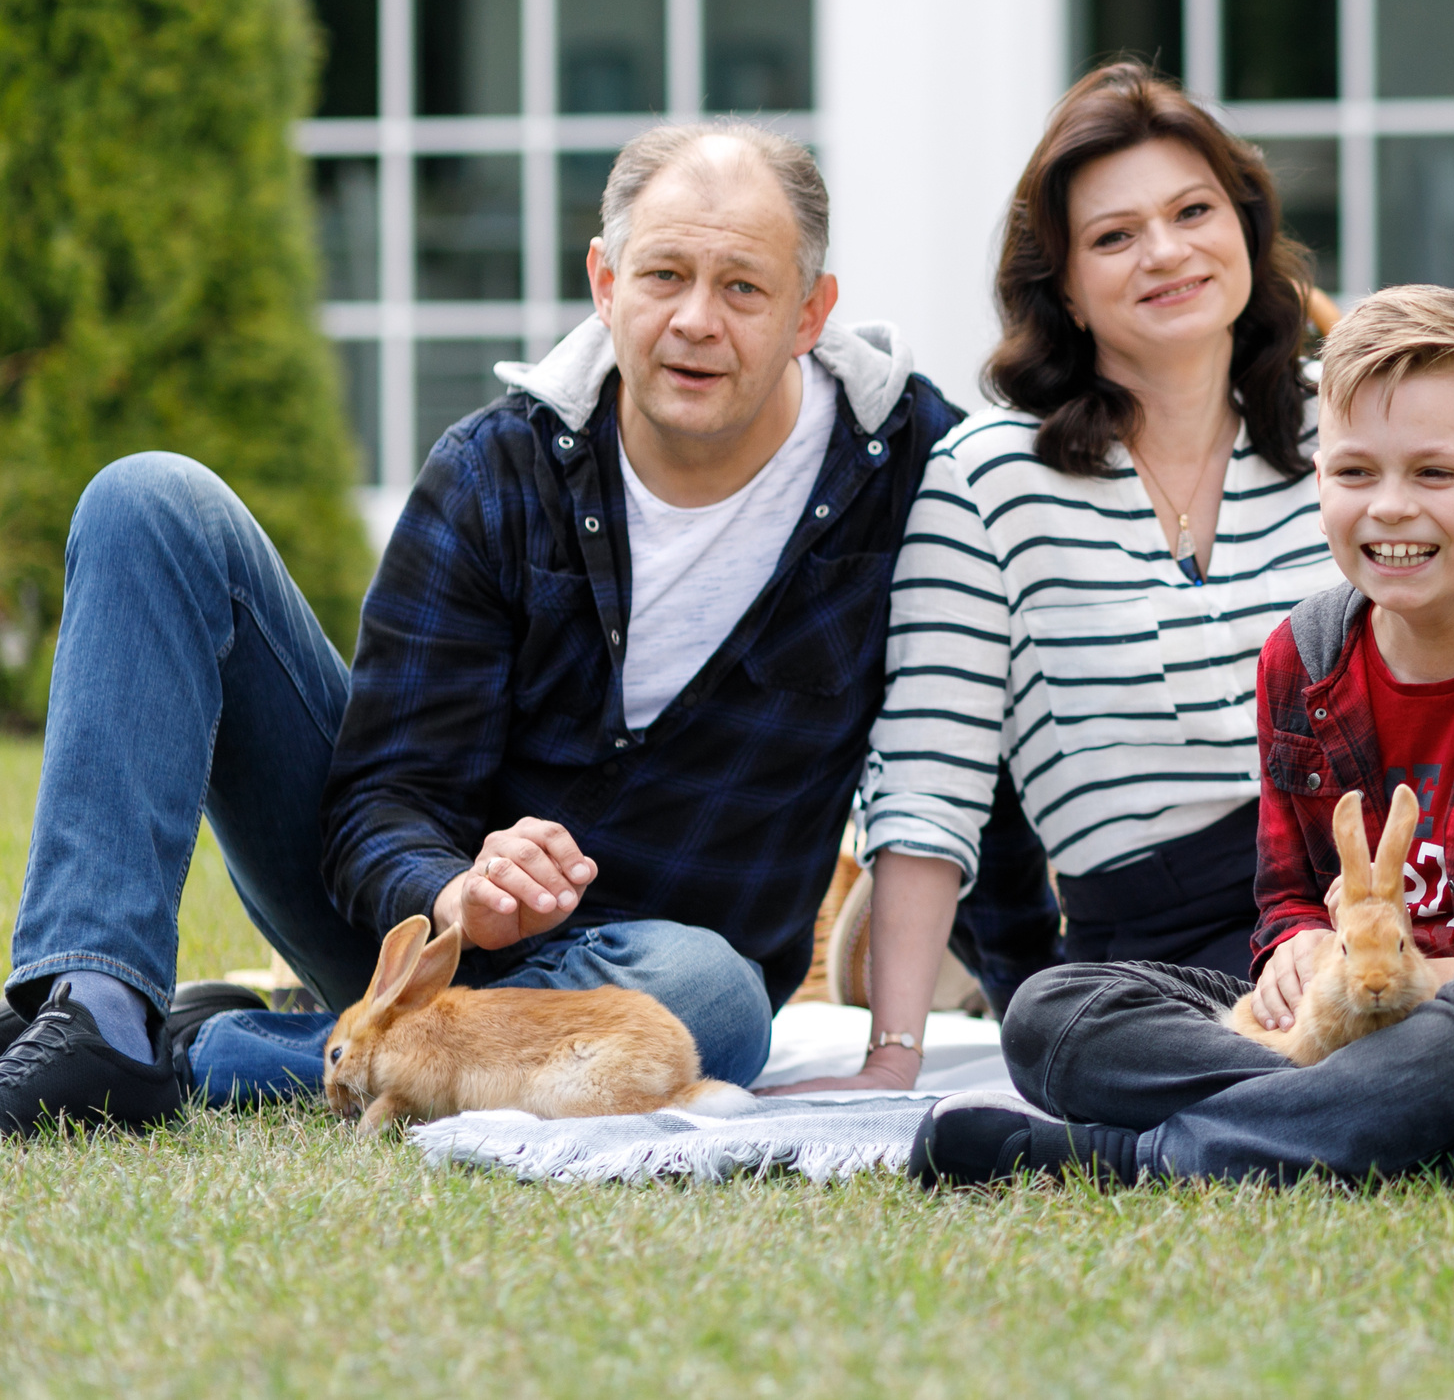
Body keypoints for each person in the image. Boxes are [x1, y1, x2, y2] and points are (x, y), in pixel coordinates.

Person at [0, 120, 960, 1131]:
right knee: (149, 500)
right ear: (604, 281)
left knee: (707, 1003)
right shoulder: (497, 469)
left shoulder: (911, 472)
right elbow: (378, 797)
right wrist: (458, 889)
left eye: (743, 288)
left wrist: (1050, 990)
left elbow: (978, 732)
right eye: (664, 275)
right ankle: (95, 1014)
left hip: (653, 985)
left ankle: (217, 1050)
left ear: (812, 311)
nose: (694, 321)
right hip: (414, 946)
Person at [904, 285, 1454, 1194]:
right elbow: (1288, 896)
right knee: (1052, 1012)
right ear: (1318, 482)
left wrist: (1452, 975)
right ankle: (1419, 1134)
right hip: (1350, 1024)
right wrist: (1297, 947)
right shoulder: (1299, 662)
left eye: (1434, 473)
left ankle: (1134, 1159)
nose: (1389, 508)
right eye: (1355, 473)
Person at [817, 64, 1341, 1096]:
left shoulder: (1349, 429)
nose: (1166, 252)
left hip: (1368, 903)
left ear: (1243, 227)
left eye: (1194, 211)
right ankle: (1372, 1090)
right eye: (1113, 236)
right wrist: (893, 1056)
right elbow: (930, 784)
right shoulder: (986, 478)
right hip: (1157, 955)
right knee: (1052, 1026)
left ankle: (1284, 1097)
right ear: (1061, 283)